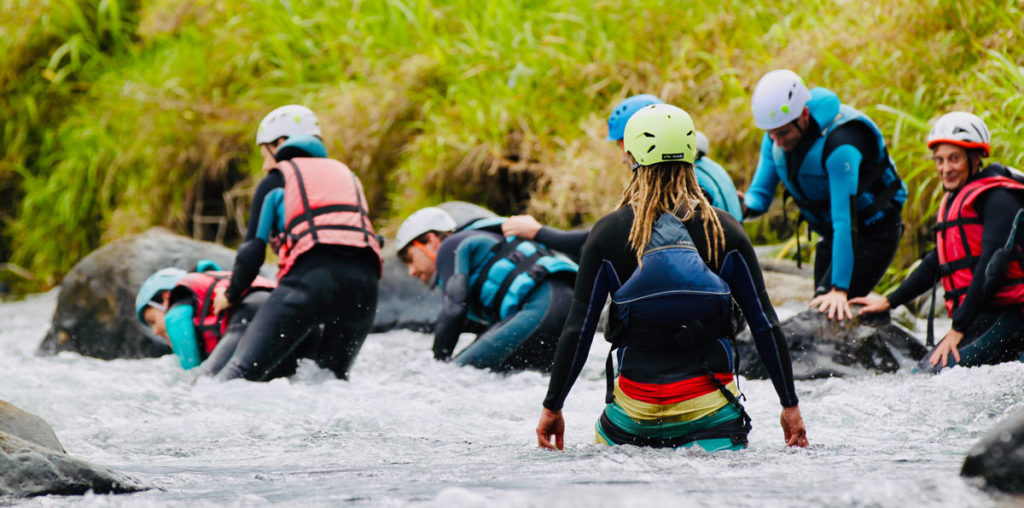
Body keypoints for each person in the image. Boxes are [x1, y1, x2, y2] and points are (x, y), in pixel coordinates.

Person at [535, 103, 807, 451]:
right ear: (692, 156)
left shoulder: (608, 233)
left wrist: (552, 407)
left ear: (631, 156)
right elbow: (765, 324)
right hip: (711, 420)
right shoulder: (723, 230)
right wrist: (790, 406)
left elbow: (579, 330)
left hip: (631, 422)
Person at [851, 112, 1024, 372]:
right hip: (981, 316)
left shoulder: (998, 197)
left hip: (1012, 316)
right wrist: (890, 301)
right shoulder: (955, 199)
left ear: (975, 158)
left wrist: (958, 328)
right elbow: (937, 262)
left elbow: (992, 268)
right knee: (921, 374)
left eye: (954, 159)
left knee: (932, 376)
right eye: (939, 160)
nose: (945, 169)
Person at [211, 122, 382, 381]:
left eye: (264, 156)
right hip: (365, 290)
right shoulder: (349, 177)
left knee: (237, 377)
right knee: (329, 383)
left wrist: (232, 293)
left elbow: (252, 252)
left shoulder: (277, 179)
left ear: (280, 145)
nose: (265, 166)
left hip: (311, 282)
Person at [743, 70, 907, 321]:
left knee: (832, 309)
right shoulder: (776, 136)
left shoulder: (841, 144)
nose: (776, 140)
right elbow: (759, 197)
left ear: (804, 115)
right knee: (818, 307)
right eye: (771, 134)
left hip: (874, 233)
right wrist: (741, 205)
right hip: (832, 236)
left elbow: (845, 219)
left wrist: (839, 288)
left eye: (783, 133)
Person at [396, 206, 578, 371]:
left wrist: (438, 365)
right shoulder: (477, 243)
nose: (411, 271)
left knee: (458, 374)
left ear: (431, 240)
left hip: (543, 307)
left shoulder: (448, 248)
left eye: (409, 259)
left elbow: (453, 309)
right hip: (570, 311)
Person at [135, 262, 275, 371]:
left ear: (165, 298)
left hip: (249, 312)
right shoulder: (202, 296)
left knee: (205, 384)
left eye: (152, 321)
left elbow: (175, 320)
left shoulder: (177, 307)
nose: (155, 331)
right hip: (280, 308)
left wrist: (192, 377)